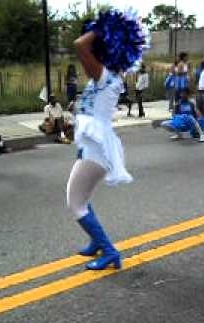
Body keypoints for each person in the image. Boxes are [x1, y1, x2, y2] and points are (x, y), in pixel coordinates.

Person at [67, 10, 145, 271]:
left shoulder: (104, 76)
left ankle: (110, 251)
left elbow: (80, 45)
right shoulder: (107, 76)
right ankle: (96, 243)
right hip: (93, 146)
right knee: (84, 198)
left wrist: (104, 28)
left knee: (75, 202)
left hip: (96, 150)